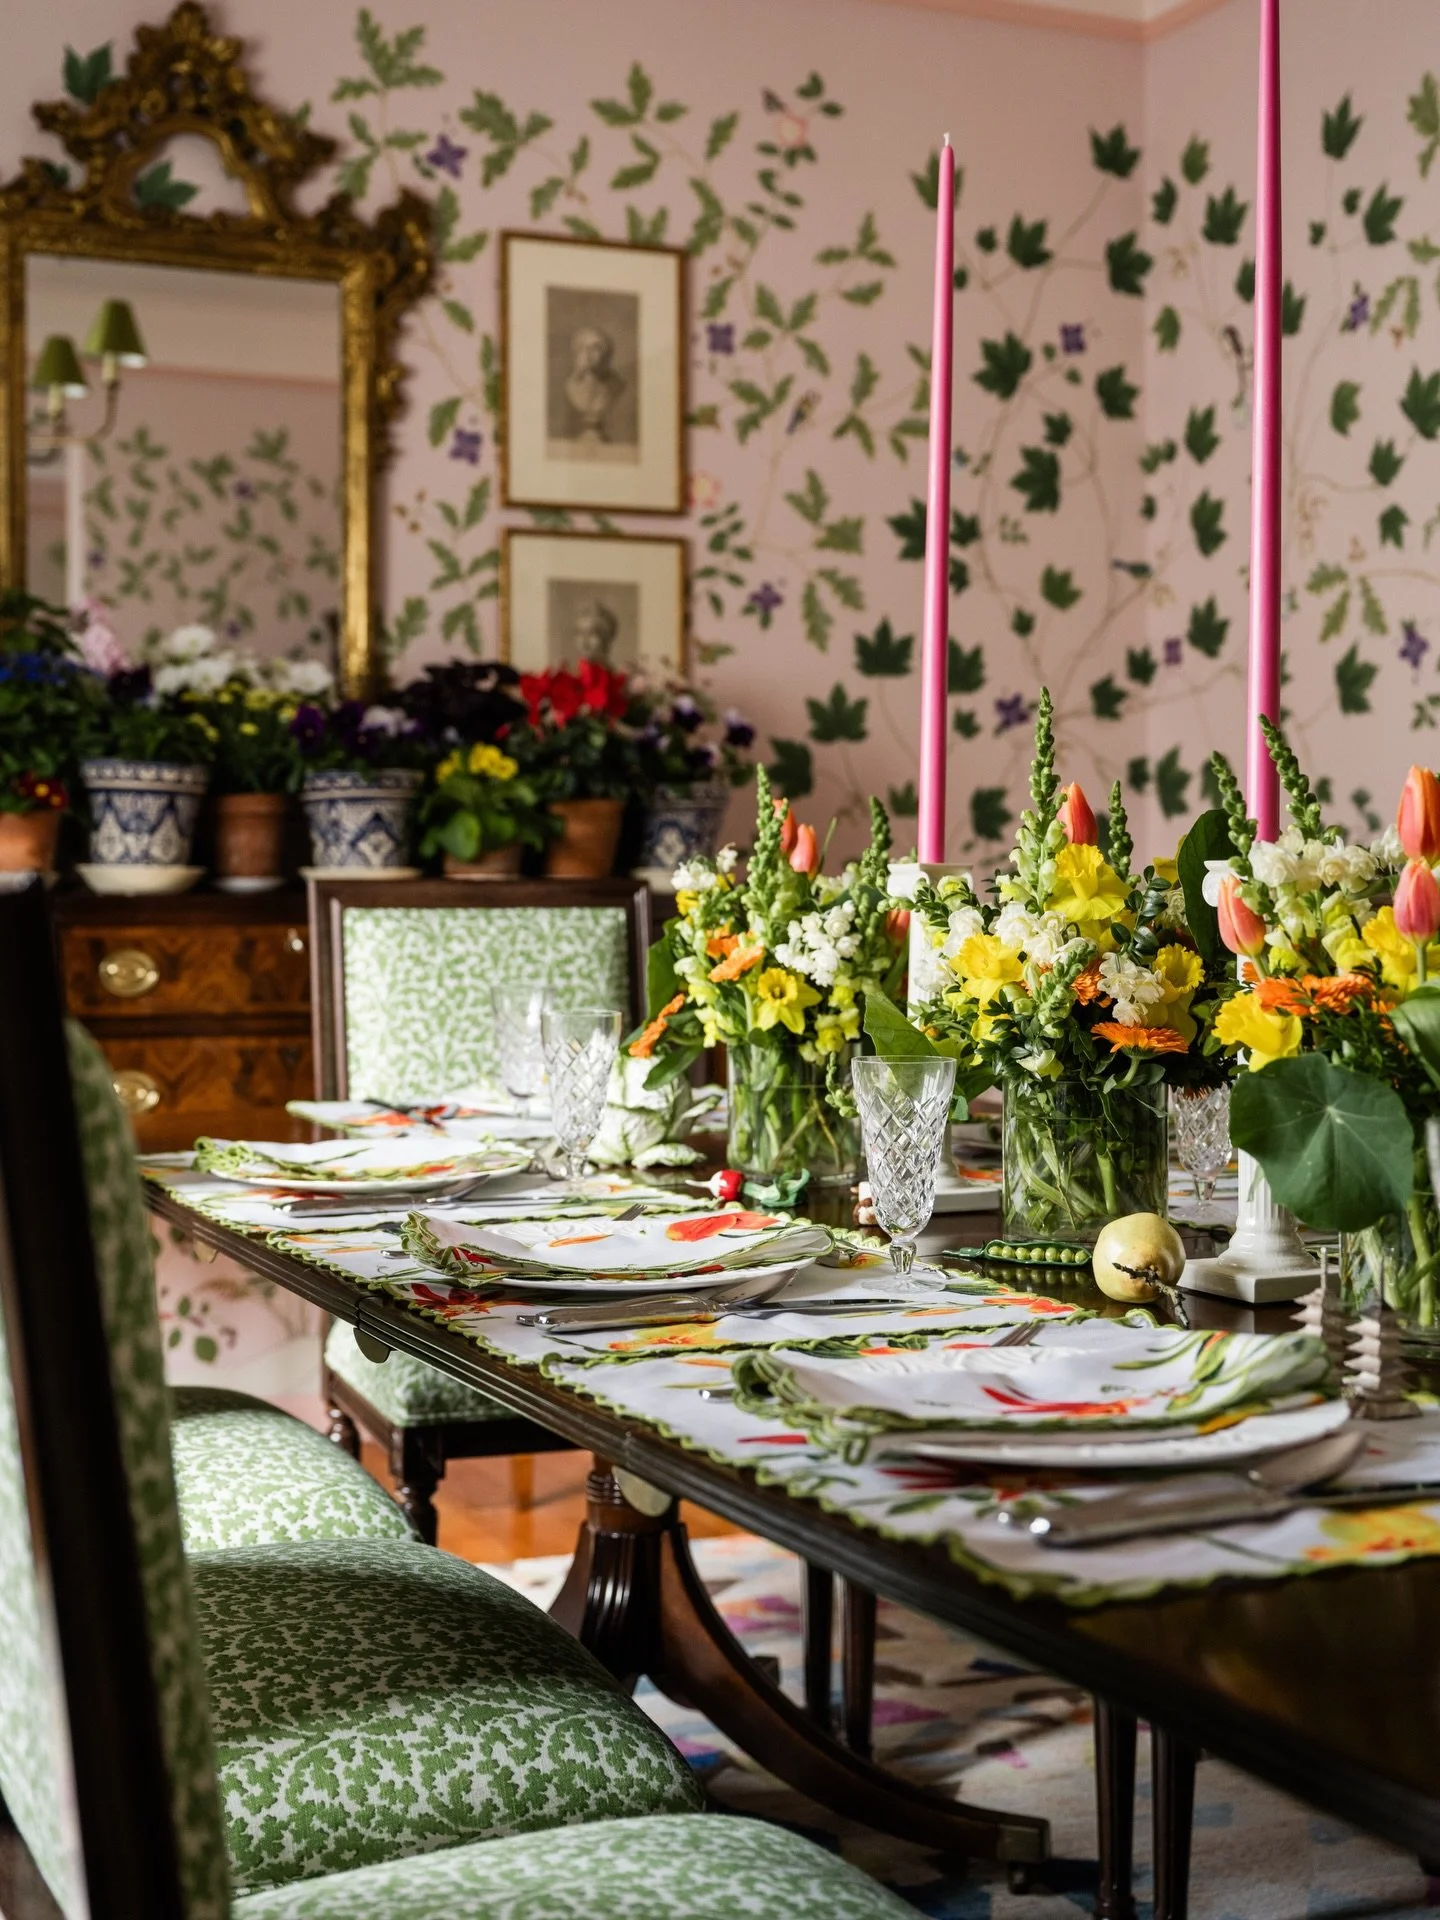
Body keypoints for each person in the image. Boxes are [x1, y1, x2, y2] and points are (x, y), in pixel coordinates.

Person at [563, 325, 624, 442]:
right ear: (576, 354)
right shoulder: (570, 385)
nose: (588, 353)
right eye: (582, 347)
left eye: (595, 348)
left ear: (606, 354)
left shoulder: (616, 385)